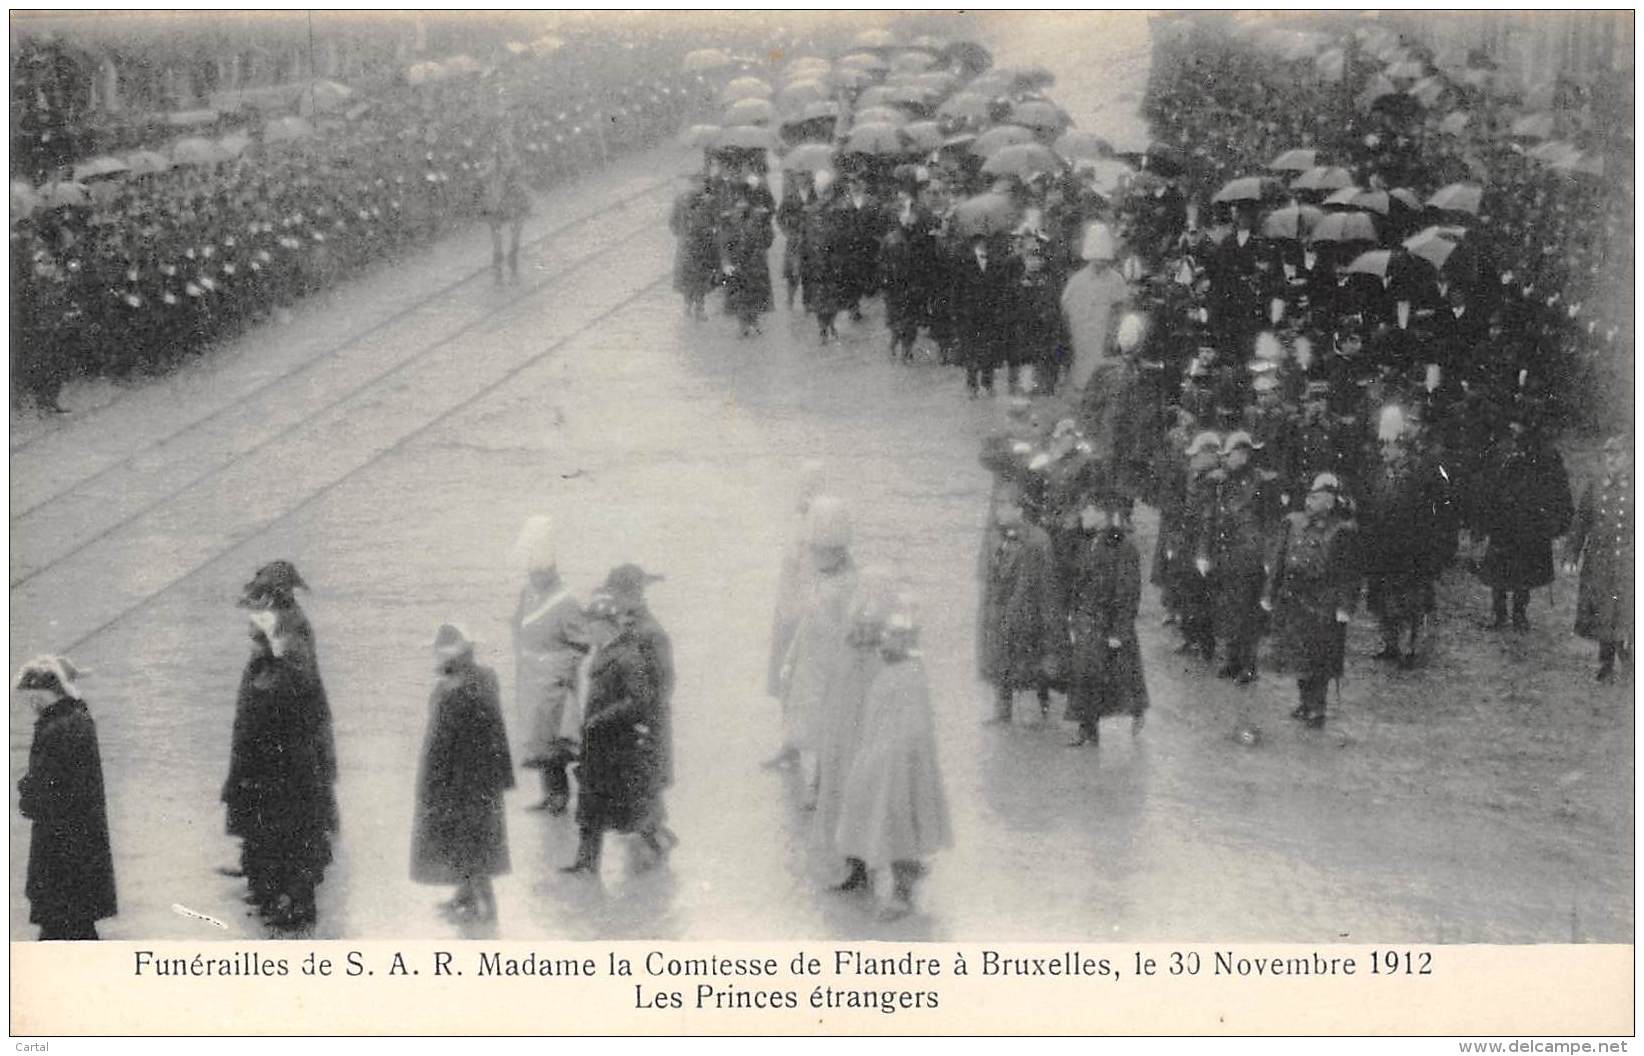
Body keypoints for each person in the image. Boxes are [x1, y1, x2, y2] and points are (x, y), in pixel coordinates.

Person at [832, 600, 952, 921]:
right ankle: (861, 870)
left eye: (887, 641)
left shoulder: (910, 677)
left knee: (898, 820)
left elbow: (914, 729)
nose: (880, 646)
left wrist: (891, 757)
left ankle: (903, 891)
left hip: (900, 764)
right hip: (877, 756)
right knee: (863, 809)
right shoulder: (887, 671)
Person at [222, 610, 338, 929]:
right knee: (274, 838)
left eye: (257, 639)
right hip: (264, 773)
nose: (251, 645)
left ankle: (296, 903)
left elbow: (292, 725)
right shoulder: (261, 671)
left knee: (294, 839)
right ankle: (277, 895)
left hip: (288, 775)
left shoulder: (286, 676)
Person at [562, 565, 674, 874]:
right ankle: (592, 862)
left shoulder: (649, 633)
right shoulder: (628, 631)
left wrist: (640, 727)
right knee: (619, 801)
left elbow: (660, 687)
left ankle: (657, 852)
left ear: (631, 595)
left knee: (637, 803)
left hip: (637, 733)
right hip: (620, 734)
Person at [410, 624, 513, 923]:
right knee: (475, 841)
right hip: (483, 778)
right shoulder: (484, 678)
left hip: (458, 780)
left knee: (468, 844)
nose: (434, 658)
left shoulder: (452, 690)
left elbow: (439, 743)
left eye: (438, 654)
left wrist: (429, 783)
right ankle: (466, 896)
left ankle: (486, 909)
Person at [16, 656, 116, 940]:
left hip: (61, 842)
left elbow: (45, 787)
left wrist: (25, 792)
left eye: (30, 698)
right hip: (80, 839)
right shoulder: (75, 718)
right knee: (76, 918)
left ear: (42, 693)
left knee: (61, 919)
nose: (30, 705)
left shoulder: (56, 727)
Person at [776, 496, 860, 804]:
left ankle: (824, 785)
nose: (814, 556)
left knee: (834, 725)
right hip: (812, 663)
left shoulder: (849, 584)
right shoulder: (820, 579)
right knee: (815, 724)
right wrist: (791, 657)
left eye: (820, 551)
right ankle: (821, 782)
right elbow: (805, 623)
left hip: (835, 666)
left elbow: (848, 629)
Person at [1357, 407, 1454, 665]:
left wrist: (1434, 547)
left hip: (1412, 550)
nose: (1383, 452)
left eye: (1388, 448)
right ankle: (1389, 644)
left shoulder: (1420, 474)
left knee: (1411, 604)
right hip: (1383, 549)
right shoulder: (1377, 475)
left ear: (1402, 450)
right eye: (1382, 447)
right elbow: (1368, 507)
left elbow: (1438, 511)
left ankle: (1411, 648)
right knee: (1383, 602)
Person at [1264, 473, 1360, 728]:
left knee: (1320, 656)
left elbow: (1349, 573)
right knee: (1299, 654)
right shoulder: (1292, 523)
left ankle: (1318, 706)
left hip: (1323, 601)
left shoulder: (1341, 531)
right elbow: (1279, 561)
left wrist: (1344, 606)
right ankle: (1305, 702)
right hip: (1295, 598)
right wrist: (1269, 594)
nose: (1309, 501)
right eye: (1309, 496)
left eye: (1316, 498)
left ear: (1329, 502)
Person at [509, 515, 588, 815]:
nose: (535, 578)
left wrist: (560, 670)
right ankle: (548, 792)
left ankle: (562, 795)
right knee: (538, 737)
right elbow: (517, 624)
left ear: (551, 572)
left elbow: (581, 644)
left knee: (558, 739)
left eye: (540, 573)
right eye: (532, 572)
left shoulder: (566, 601)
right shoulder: (528, 594)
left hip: (556, 680)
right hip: (532, 676)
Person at [1471, 417, 1574, 631]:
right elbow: (1487, 484)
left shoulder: (1545, 455)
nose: (1512, 427)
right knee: (1498, 570)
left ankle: (1519, 613)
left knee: (1524, 571)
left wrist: (1554, 520)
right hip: (1503, 523)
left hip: (1530, 524)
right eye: (1513, 422)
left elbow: (1558, 488)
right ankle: (1498, 613)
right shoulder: (1502, 451)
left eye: (1518, 424)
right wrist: (1483, 519)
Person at [1064, 488, 1149, 747]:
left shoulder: (1122, 546)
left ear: (1102, 514)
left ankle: (1126, 723)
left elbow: (1127, 592)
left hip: (1107, 624)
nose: (1082, 515)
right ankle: (1086, 727)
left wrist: (1118, 631)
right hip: (1087, 621)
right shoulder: (1087, 541)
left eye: (1088, 510)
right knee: (1085, 674)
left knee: (1116, 678)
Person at [978, 485, 1063, 723]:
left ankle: (1043, 707)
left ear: (1019, 510)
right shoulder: (997, 538)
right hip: (1002, 613)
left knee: (1035, 667)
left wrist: (1050, 628)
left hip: (1029, 614)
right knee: (1000, 660)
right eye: (997, 506)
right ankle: (1002, 712)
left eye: (1004, 507)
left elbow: (1048, 588)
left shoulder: (1038, 540)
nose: (998, 513)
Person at [1197, 430, 1275, 682]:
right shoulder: (1217, 481)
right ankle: (1232, 660)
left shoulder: (1260, 482)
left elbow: (1268, 521)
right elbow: (1208, 518)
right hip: (1223, 551)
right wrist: (1203, 552)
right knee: (1226, 608)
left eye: (1243, 452)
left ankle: (1248, 665)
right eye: (1234, 453)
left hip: (1248, 552)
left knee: (1247, 611)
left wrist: (1266, 555)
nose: (1238, 457)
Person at [765, 460, 826, 767]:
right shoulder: (797, 522)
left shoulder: (821, 529)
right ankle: (789, 745)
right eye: (802, 487)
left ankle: (813, 753)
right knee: (785, 679)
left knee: (808, 683)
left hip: (804, 614)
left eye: (811, 487)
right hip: (787, 610)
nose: (804, 494)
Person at [1565, 436, 1632, 681]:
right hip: (1600, 561)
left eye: (1618, 455)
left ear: (1629, 458)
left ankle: (1630, 657)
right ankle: (1605, 662)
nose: (1612, 460)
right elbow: (1581, 520)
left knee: (1627, 610)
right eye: (1609, 455)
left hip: (1628, 561)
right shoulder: (1596, 485)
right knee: (1604, 611)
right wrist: (1571, 553)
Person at [1059, 221, 1130, 393]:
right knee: (1084, 373)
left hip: (1105, 334)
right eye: (1096, 258)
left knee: (1104, 374)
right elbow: (1066, 306)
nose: (1100, 262)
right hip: (1082, 334)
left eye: (1103, 258)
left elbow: (1122, 307)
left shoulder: (1116, 279)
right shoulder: (1077, 280)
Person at [480, 135, 532, 285]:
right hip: (505, 198)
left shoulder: (505, 160)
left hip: (500, 199)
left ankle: (501, 264)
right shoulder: (499, 161)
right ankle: (505, 262)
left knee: (498, 231)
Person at [670, 174, 719, 319]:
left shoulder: (709, 201)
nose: (700, 185)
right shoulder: (681, 200)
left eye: (702, 183)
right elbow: (673, 221)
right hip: (689, 244)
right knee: (688, 277)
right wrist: (682, 233)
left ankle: (699, 307)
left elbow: (715, 221)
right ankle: (688, 305)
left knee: (700, 277)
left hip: (701, 244)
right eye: (697, 183)